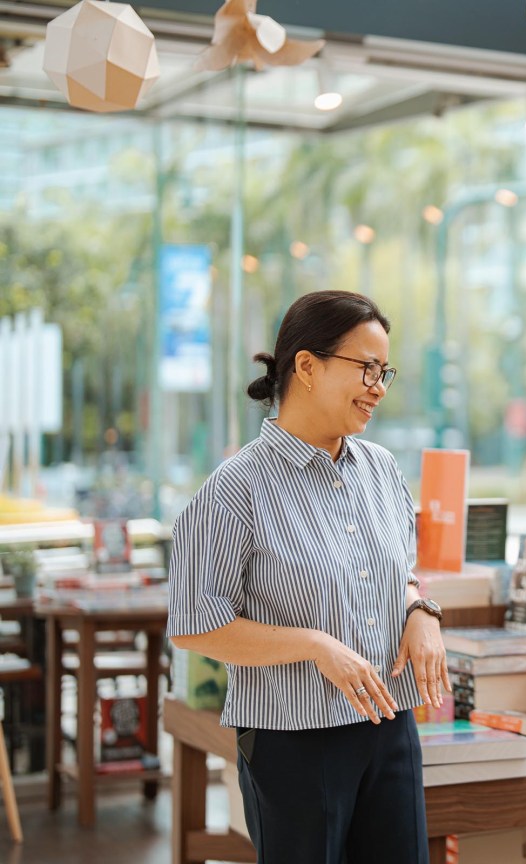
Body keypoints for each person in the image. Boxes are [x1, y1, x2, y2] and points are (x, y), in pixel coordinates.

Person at [167, 290, 450, 864]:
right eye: (366, 368)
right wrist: (315, 646)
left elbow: (401, 573)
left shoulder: (382, 470)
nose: (378, 387)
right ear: (306, 367)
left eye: (385, 372)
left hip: (390, 724)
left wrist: (421, 610)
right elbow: (196, 627)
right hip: (293, 743)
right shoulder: (234, 490)